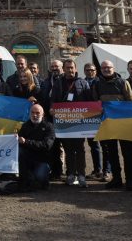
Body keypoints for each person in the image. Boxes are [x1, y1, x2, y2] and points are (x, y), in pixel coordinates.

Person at [92, 60, 132, 191]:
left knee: (127, 153)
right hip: (107, 124)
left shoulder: (123, 82)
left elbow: (131, 102)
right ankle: (116, 179)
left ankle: (130, 180)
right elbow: (96, 103)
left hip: (123, 123)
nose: (106, 69)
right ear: (101, 69)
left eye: (109, 67)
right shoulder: (96, 84)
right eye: (104, 67)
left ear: (113, 68)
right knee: (111, 153)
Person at [51, 59, 91, 187]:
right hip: (64, 121)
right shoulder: (58, 83)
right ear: (64, 69)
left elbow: (90, 101)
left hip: (79, 121)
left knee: (79, 149)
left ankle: (81, 175)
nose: (70, 70)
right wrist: (52, 108)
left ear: (75, 68)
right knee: (68, 149)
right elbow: (54, 99)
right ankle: (70, 174)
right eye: (67, 68)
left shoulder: (83, 83)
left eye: (72, 67)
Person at [17, 103, 55, 191]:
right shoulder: (25, 126)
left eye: (37, 113)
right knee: (19, 151)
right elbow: (20, 143)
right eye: (32, 113)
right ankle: (26, 179)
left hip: (43, 160)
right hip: (28, 159)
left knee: (40, 177)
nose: (34, 115)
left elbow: (46, 146)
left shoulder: (49, 127)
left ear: (43, 114)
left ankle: (41, 180)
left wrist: (27, 142)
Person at [83, 63, 105, 179]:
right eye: (87, 70)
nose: (89, 72)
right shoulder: (81, 82)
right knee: (93, 145)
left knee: (104, 145)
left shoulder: (100, 82)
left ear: (95, 71)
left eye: (91, 70)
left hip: (100, 117)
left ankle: (104, 170)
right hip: (87, 118)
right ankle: (97, 169)